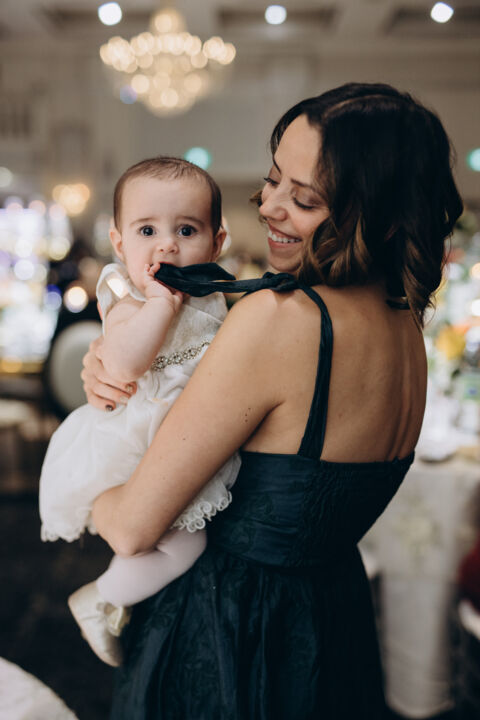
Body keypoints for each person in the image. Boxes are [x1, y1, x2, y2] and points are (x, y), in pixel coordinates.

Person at [83, 83, 463, 718]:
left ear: (378, 212)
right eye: (272, 180)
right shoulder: (406, 328)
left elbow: (130, 527)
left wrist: (80, 479)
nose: (268, 206)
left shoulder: (280, 319)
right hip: (333, 624)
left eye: (304, 198)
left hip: (231, 633)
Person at [39, 157, 240, 667]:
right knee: (184, 546)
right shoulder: (127, 296)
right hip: (138, 437)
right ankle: (101, 598)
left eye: (186, 230)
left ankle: (122, 601)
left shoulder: (215, 299)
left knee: (181, 545)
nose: (166, 245)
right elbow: (126, 363)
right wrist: (159, 306)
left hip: (185, 436)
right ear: (120, 242)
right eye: (147, 230)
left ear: (216, 243)